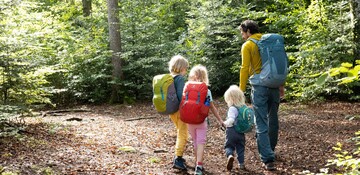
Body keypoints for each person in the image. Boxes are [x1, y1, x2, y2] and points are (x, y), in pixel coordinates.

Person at [238, 19, 280, 171]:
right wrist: (281, 85)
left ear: (248, 31)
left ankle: (268, 159)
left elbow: (244, 68)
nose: (242, 36)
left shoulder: (248, 45)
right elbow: (279, 64)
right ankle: (271, 150)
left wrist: (240, 90)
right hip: (274, 85)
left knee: (261, 121)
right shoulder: (270, 42)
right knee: (273, 119)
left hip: (259, 87)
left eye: (243, 33)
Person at [186, 65, 225, 175]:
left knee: (195, 142)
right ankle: (199, 165)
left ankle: (196, 162)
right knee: (201, 142)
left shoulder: (187, 88)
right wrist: (220, 120)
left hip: (190, 120)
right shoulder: (206, 91)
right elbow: (212, 107)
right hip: (201, 121)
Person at [168, 55, 189, 171]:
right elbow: (182, 96)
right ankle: (178, 158)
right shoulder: (179, 78)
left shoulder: (169, 77)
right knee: (183, 134)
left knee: (180, 132)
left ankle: (178, 154)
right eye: (185, 68)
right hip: (179, 110)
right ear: (181, 68)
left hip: (171, 110)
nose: (186, 71)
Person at [223, 85, 248, 171]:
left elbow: (231, 120)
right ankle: (241, 164)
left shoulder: (232, 108)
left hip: (231, 131)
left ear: (230, 99)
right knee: (240, 148)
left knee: (229, 146)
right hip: (241, 132)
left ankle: (230, 155)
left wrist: (224, 123)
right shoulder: (243, 108)